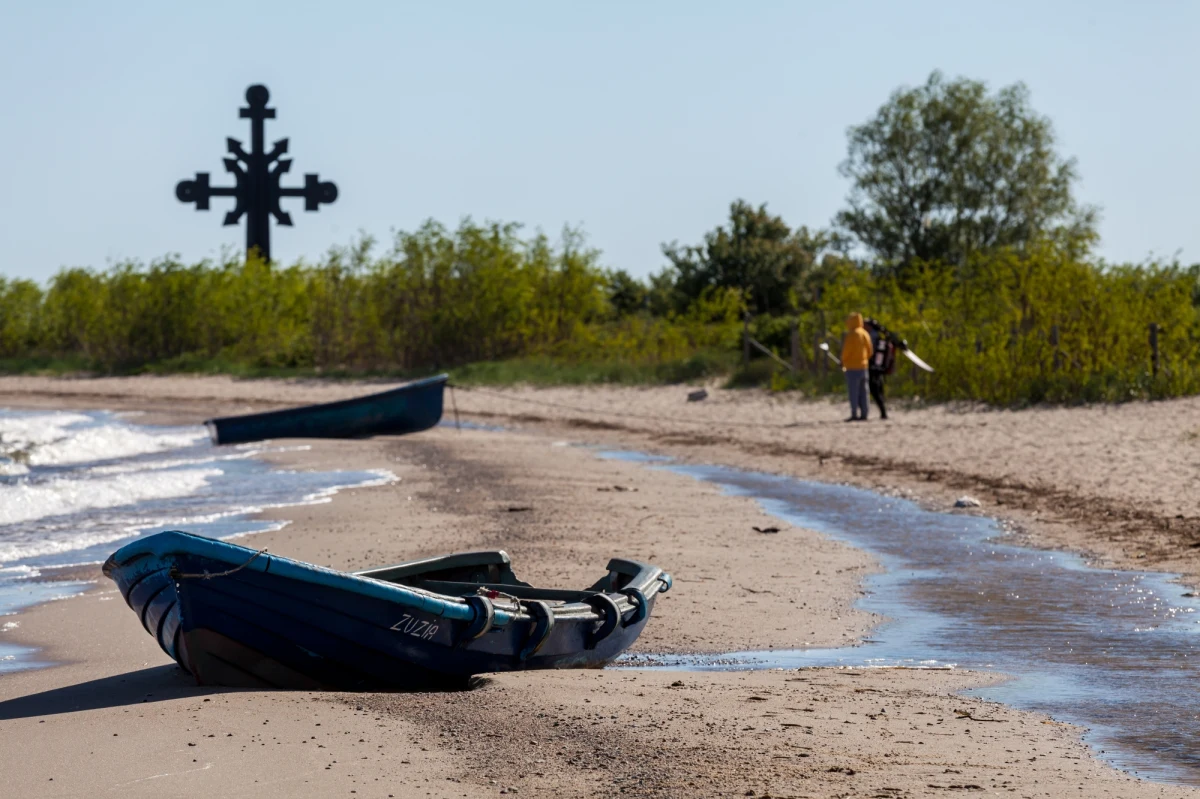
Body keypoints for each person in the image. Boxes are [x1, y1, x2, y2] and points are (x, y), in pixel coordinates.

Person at [863, 317, 898, 420]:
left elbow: (869, 351)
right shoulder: (878, 336)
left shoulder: (872, 336)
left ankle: (883, 412)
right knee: (877, 388)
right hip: (877, 367)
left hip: (873, 366)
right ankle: (883, 412)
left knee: (875, 389)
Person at [841, 312, 873, 422]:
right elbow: (870, 351)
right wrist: (864, 360)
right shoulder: (865, 334)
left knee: (853, 392)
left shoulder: (851, 334)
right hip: (864, 367)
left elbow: (846, 351)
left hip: (852, 368)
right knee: (864, 392)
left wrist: (843, 361)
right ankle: (865, 414)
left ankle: (854, 413)